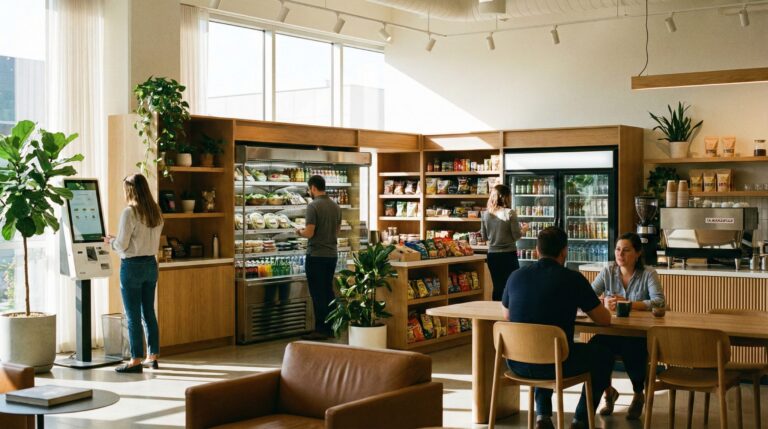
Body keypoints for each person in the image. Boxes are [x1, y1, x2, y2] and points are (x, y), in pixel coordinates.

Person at [503, 226, 612, 429]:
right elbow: (603, 320)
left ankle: (543, 417)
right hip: (556, 362)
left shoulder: (515, 276)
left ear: (537, 250)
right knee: (603, 355)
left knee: (544, 348)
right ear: (564, 251)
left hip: (516, 361)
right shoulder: (573, 279)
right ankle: (581, 419)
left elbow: (507, 315)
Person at [589, 232, 665, 420]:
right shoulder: (607, 271)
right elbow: (589, 296)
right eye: (617, 249)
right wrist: (604, 301)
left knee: (634, 350)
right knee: (593, 349)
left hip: (637, 334)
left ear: (638, 253)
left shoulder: (648, 273)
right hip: (612, 331)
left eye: (626, 250)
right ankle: (608, 392)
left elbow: (660, 302)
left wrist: (629, 303)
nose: (620, 254)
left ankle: (638, 394)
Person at [104, 174, 164, 373]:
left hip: (132, 267)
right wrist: (119, 240)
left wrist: (110, 241)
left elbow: (122, 244)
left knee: (132, 316)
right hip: (150, 264)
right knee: (149, 312)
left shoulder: (129, 212)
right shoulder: (156, 211)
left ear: (129, 190)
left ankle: (135, 360)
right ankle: (152, 356)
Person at [297, 175, 341, 341]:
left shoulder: (313, 206)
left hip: (316, 255)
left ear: (313, 188)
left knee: (317, 293)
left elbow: (309, 232)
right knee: (328, 291)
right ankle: (331, 327)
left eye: (309, 189)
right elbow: (336, 231)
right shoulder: (336, 207)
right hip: (332, 255)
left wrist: (298, 232)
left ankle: (320, 329)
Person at [481, 184, 525, 301]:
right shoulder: (510, 213)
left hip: (492, 255)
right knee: (511, 285)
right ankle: (508, 312)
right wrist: (524, 230)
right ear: (505, 197)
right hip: (508, 255)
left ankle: (495, 313)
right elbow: (516, 236)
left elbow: (484, 236)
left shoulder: (485, 214)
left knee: (497, 286)